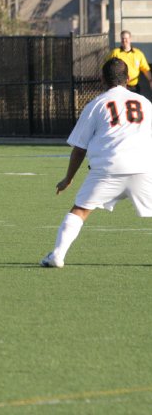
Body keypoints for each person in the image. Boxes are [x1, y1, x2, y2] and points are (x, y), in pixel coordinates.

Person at [41, 58, 152, 268]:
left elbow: (79, 147)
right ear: (128, 79)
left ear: (102, 79)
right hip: (143, 168)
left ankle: (57, 255)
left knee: (80, 211)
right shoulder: (145, 103)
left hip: (107, 169)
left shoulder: (96, 104)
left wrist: (68, 178)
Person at [105, 30, 151, 94]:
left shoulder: (138, 53)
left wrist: (150, 80)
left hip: (134, 87)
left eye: (126, 38)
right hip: (120, 87)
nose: (124, 40)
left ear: (130, 39)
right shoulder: (115, 53)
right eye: (122, 38)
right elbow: (107, 66)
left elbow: (145, 69)